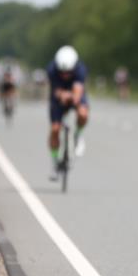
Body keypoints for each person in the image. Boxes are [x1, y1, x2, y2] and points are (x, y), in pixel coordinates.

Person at [47, 45, 89, 180]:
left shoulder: (80, 69)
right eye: (62, 72)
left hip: (74, 93)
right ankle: (55, 164)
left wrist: (71, 97)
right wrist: (61, 96)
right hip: (58, 97)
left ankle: (78, 135)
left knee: (83, 113)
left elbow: (77, 93)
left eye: (68, 72)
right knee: (55, 129)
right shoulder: (52, 69)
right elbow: (56, 91)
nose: (65, 75)